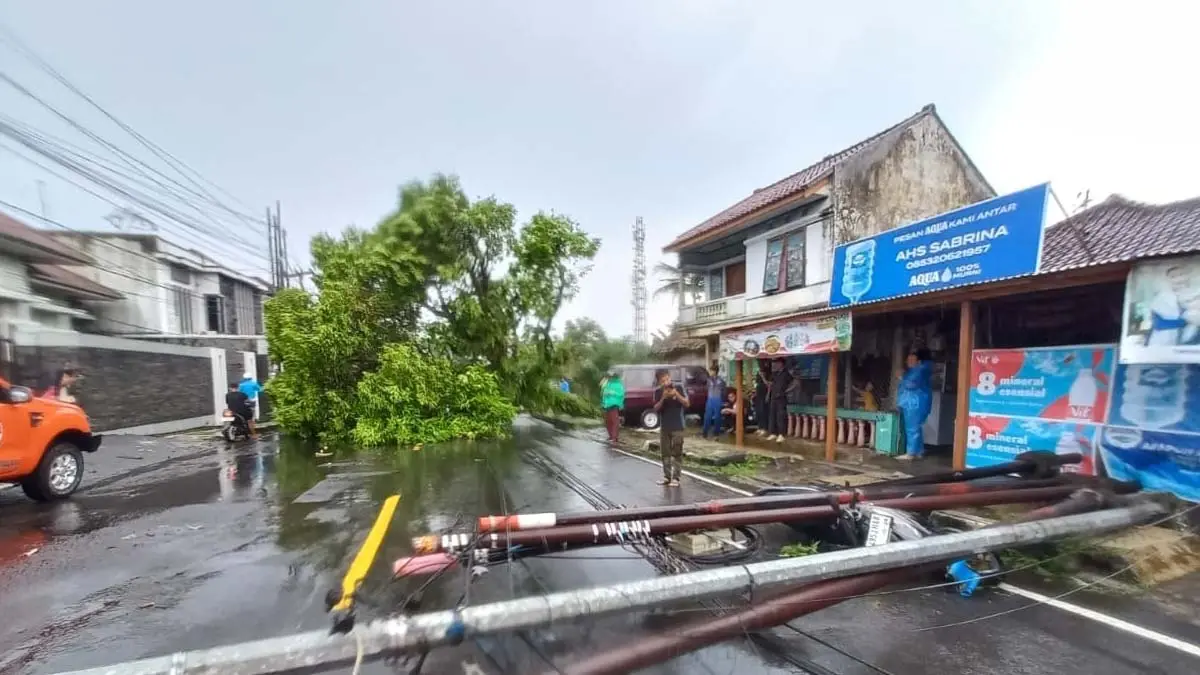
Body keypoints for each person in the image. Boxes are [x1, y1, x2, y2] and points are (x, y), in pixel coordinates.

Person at [653, 368, 689, 487]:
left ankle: (676, 478)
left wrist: (676, 394)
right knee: (665, 453)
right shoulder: (658, 391)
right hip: (665, 426)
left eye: (667, 379)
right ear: (659, 382)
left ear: (670, 377)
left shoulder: (678, 387)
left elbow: (687, 403)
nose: (666, 382)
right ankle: (667, 477)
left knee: (677, 452)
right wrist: (663, 397)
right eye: (663, 381)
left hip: (678, 425)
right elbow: (656, 409)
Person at [896, 349, 933, 461]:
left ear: (919, 361)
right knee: (916, 428)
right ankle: (918, 451)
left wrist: (901, 377)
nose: (909, 361)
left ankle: (910, 453)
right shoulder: (920, 370)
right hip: (915, 403)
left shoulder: (918, 371)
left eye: (912, 359)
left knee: (912, 428)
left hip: (914, 404)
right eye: (908, 359)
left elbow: (911, 385)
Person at [766, 359, 790, 443]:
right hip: (773, 396)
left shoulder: (786, 373)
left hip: (781, 397)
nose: (774, 365)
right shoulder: (774, 374)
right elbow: (770, 385)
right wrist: (768, 395)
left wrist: (786, 391)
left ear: (781, 364)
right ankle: (773, 433)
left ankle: (781, 434)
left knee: (780, 416)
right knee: (772, 414)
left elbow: (796, 383)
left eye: (776, 363)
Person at [700, 365, 726, 438]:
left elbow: (724, 391)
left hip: (718, 399)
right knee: (707, 416)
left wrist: (722, 400)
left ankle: (716, 434)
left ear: (715, 371)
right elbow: (706, 389)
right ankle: (704, 433)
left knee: (717, 417)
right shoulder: (708, 380)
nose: (710, 372)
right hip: (710, 399)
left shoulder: (721, 381)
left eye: (711, 371)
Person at [600, 370, 625, 443]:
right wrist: (603, 401)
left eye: (611, 376)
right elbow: (603, 393)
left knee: (614, 421)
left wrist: (612, 393)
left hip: (614, 404)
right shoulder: (607, 383)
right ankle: (611, 436)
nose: (610, 377)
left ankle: (614, 438)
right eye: (609, 376)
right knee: (608, 421)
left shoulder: (618, 384)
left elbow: (621, 394)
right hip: (607, 404)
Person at [237, 372, 262, 438]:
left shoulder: (241, 385)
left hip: (243, 401)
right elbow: (260, 390)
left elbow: (239, 392)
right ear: (251, 377)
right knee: (251, 417)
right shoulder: (254, 383)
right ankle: (252, 432)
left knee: (243, 414)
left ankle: (244, 428)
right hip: (252, 401)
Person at [753, 363, 770, 436]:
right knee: (758, 411)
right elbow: (756, 383)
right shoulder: (758, 372)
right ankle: (759, 427)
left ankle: (764, 428)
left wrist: (763, 376)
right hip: (758, 393)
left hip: (764, 393)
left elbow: (768, 385)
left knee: (763, 412)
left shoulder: (767, 371)